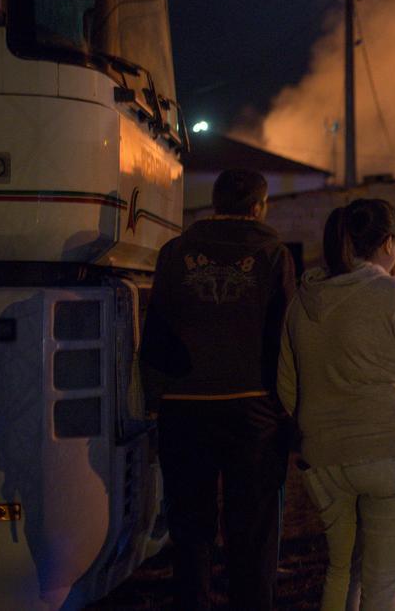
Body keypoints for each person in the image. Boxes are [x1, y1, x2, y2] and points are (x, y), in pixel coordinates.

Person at [277, 198, 395, 610]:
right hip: (393, 450)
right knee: (384, 583)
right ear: (388, 242)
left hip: (325, 457)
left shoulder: (303, 300)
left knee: (342, 569)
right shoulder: (393, 293)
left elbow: (287, 386)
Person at [139, 169, 295, 611]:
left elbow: (157, 333)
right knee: (255, 526)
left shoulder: (175, 252)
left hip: (184, 408)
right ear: (259, 206)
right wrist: (286, 407)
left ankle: (193, 601)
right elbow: (283, 336)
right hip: (253, 412)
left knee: (191, 525)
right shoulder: (272, 253)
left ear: (213, 202)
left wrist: (156, 398)